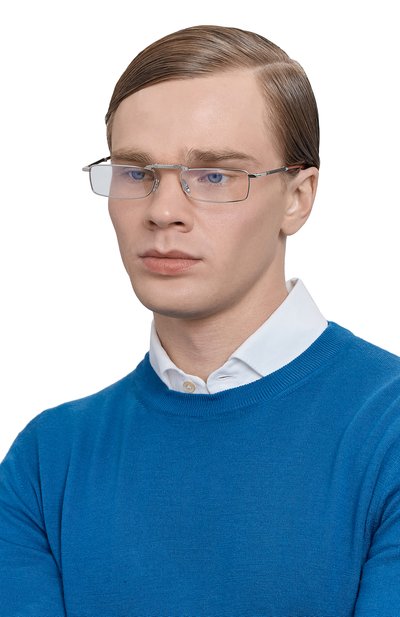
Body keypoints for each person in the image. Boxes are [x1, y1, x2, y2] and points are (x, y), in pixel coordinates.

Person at [0, 24, 399, 617]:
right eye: (137, 173)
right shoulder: (46, 459)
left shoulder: (387, 430)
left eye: (214, 175)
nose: (163, 211)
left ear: (298, 197)